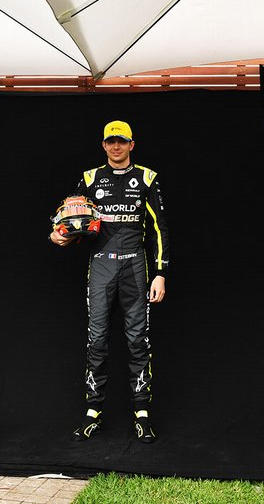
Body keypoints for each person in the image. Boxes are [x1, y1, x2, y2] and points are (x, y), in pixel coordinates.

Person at [49, 120, 170, 444]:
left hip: (135, 267)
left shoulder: (147, 177)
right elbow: (73, 219)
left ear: (132, 144)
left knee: (137, 342)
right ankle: (93, 412)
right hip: (100, 267)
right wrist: (59, 235)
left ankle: (142, 414)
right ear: (104, 145)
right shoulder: (90, 178)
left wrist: (160, 273)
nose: (116, 146)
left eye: (122, 141)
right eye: (110, 141)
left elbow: (160, 228)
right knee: (97, 341)